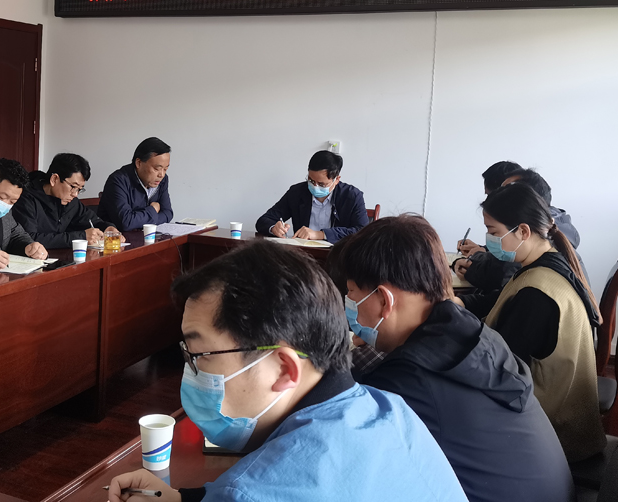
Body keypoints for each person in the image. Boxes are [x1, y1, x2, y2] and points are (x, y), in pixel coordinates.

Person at [106, 240, 466, 502]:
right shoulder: (392, 410)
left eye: (200, 355)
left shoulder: (250, 493)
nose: (191, 371)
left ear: (283, 369)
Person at [336, 215, 574, 502]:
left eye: (351, 293)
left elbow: (352, 463)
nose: (349, 305)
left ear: (385, 300)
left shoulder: (407, 380)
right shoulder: (470, 333)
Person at [482, 182, 605, 462]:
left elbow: (500, 371)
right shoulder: (549, 264)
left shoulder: (536, 294)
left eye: (494, 232)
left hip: (551, 437)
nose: (489, 240)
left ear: (523, 231)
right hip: (566, 423)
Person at [454, 165, 582, 317]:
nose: (499, 197)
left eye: (493, 232)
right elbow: (504, 299)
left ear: (523, 231)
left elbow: (504, 328)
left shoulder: (537, 291)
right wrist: (460, 302)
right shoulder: (533, 260)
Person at [13, 152, 122, 248]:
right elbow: (28, 238)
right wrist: (80, 237)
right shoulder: (26, 198)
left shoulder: (71, 201)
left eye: (79, 189)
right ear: (54, 179)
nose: (75, 194)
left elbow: (92, 221)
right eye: (73, 186)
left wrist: (108, 228)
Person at [255, 151, 368, 242]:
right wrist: (274, 228)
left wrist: (321, 234)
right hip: (303, 255)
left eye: (322, 184)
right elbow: (264, 220)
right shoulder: (297, 192)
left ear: (337, 180)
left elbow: (362, 232)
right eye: (311, 181)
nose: (315, 186)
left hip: (338, 255)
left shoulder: (352, 196)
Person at [99, 138, 173, 232]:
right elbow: (126, 222)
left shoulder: (163, 180)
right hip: (117, 239)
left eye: (165, 169)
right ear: (138, 163)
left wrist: (139, 220)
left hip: (145, 236)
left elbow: (168, 213)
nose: (161, 175)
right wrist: (153, 210)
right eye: (157, 169)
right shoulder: (118, 181)